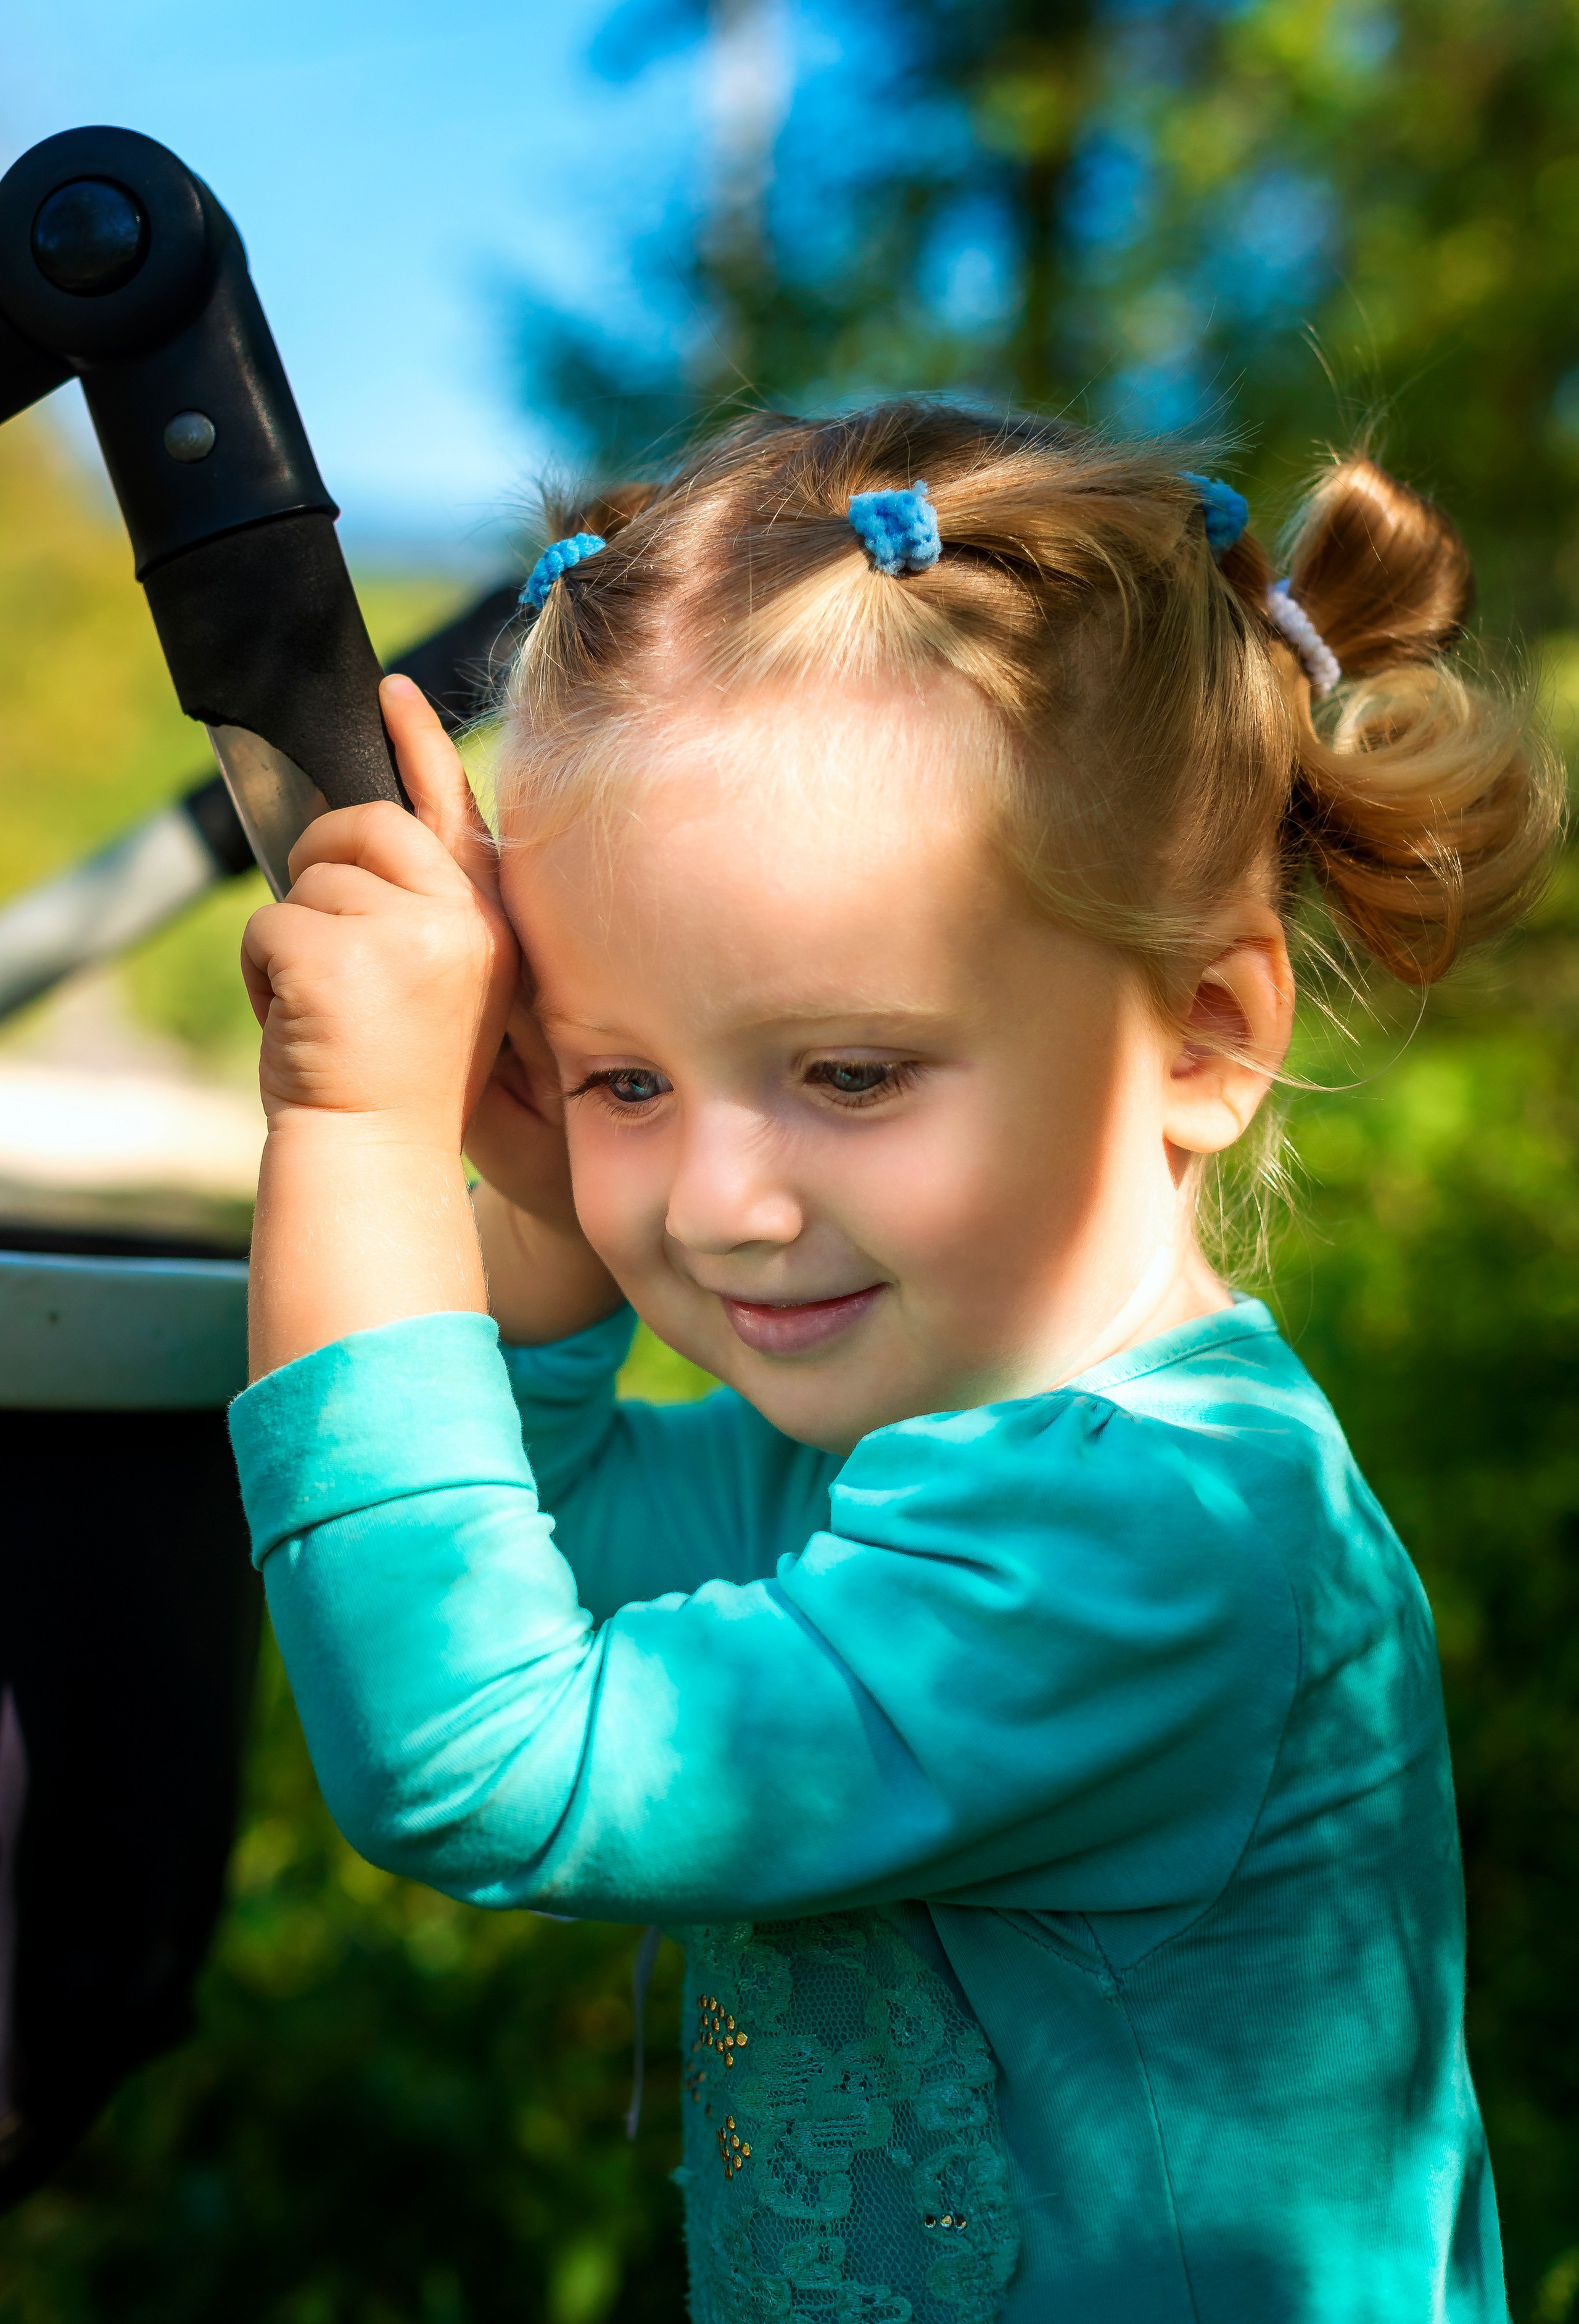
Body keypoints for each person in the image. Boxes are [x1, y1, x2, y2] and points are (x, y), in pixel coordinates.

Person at [229, 403, 1558, 2322]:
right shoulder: (940, 1437)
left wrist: (355, 1123)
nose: (722, 1202)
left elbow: (481, 1752)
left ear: (1201, 1037)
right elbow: (560, 1535)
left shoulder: (1158, 1539)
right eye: (626, 1076)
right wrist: (527, 1196)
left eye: (848, 1073)